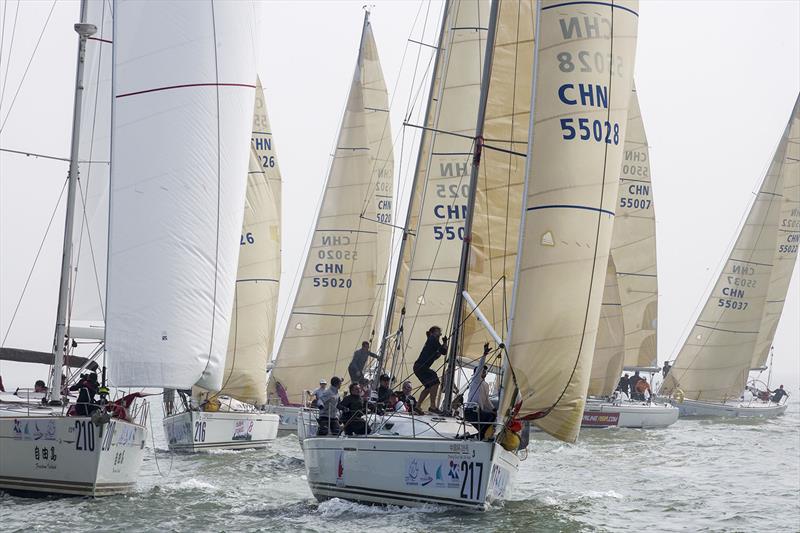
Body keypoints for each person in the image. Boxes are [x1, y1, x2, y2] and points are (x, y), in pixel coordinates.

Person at [414, 326, 448, 414]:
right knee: (435, 382)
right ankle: (433, 406)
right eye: (438, 332)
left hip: (418, 367)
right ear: (433, 333)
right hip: (421, 367)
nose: (440, 334)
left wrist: (444, 343)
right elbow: (444, 352)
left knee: (429, 387)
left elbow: (439, 353)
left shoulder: (431, 341)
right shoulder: (433, 339)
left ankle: (418, 406)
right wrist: (445, 342)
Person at [465, 365, 496, 439]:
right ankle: (480, 436)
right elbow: (479, 368)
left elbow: (486, 400)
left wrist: (494, 409)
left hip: (478, 412)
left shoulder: (486, 385)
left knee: (492, 416)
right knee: (490, 417)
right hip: (471, 411)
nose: (484, 372)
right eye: (482, 371)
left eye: (485, 371)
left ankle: (479, 436)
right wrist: (484, 355)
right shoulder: (476, 380)